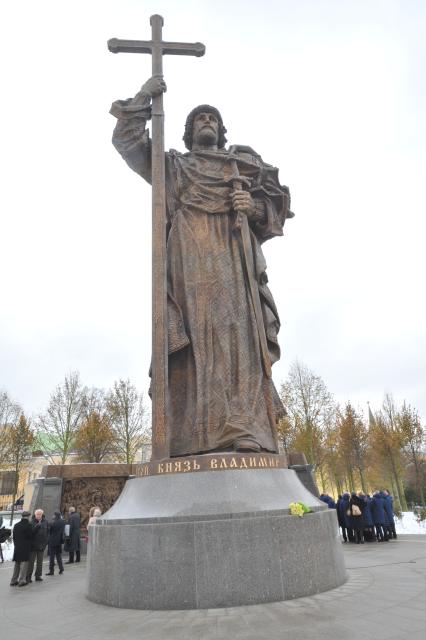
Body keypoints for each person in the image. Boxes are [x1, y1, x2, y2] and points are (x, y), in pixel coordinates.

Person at [110, 77, 292, 457]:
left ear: (221, 131)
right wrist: (144, 98)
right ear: (189, 132)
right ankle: (193, 431)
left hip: (232, 257)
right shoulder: (173, 166)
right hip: (188, 261)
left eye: (212, 118)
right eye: (198, 119)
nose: (206, 121)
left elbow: (275, 209)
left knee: (237, 337)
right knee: (197, 339)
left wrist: (252, 206)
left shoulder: (239, 166)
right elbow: (128, 143)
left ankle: (242, 427)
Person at [10, 511, 32, 587]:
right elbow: (30, 536)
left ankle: (13, 580)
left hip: (17, 547)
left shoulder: (16, 525)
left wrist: (16, 545)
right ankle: (21, 580)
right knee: (24, 564)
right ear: (28, 517)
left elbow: (14, 537)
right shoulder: (28, 525)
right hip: (25, 548)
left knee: (17, 564)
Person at [26, 508, 49, 583]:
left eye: (40, 514)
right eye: (37, 514)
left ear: (42, 515)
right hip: (33, 546)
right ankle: (28, 577)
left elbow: (48, 533)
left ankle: (38, 576)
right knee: (31, 563)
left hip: (41, 545)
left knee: (40, 562)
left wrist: (46, 542)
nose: (39, 516)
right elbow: (30, 534)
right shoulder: (31, 522)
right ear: (35, 515)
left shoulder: (45, 522)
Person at [45, 511, 65, 576]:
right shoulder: (62, 522)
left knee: (52, 557)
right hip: (59, 541)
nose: (52, 516)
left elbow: (49, 531)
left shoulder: (52, 523)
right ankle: (61, 569)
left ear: (55, 515)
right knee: (58, 555)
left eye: (53, 515)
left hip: (52, 541)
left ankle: (51, 571)